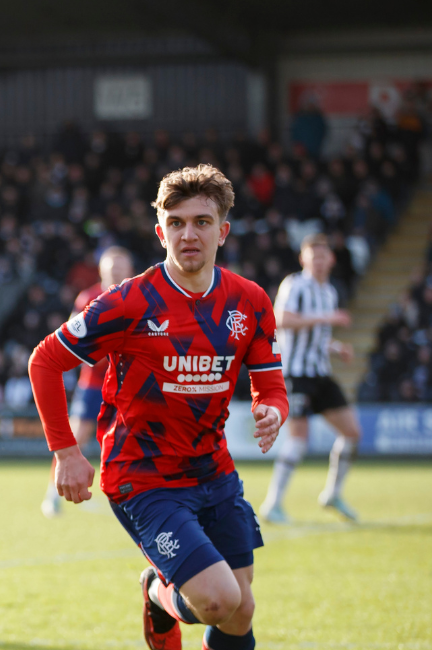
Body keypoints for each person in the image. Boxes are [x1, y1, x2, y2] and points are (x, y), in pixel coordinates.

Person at [29, 164, 287, 650]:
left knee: (240, 609)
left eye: (202, 222)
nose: (189, 234)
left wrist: (273, 409)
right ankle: (155, 591)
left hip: (214, 470)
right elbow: (44, 360)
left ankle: (163, 591)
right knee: (216, 600)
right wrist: (66, 452)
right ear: (160, 231)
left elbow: (271, 384)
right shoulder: (127, 303)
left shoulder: (249, 301)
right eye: (177, 222)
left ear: (223, 231)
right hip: (144, 477)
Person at [259, 233, 361, 523]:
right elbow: (281, 320)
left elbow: (317, 337)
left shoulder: (328, 292)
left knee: (352, 433)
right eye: (312, 256)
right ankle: (273, 503)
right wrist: (327, 319)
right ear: (303, 259)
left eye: (323, 256)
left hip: (320, 372)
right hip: (296, 373)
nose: (318, 261)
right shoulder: (295, 285)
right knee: (299, 438)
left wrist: (336, 347)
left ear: (331, 259)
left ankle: (332, 493)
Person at [40, 246, 133, 518]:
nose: (116, 271)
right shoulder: (89, 297)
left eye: (120, 266)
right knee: (75, 439)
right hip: (94, 384)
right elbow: (72, 342)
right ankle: (52, 496)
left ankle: (127, 497)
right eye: (111, 266)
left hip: (128, 383)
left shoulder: (137, 295)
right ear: (102, 270)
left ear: (128, 269)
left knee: (128, 442)